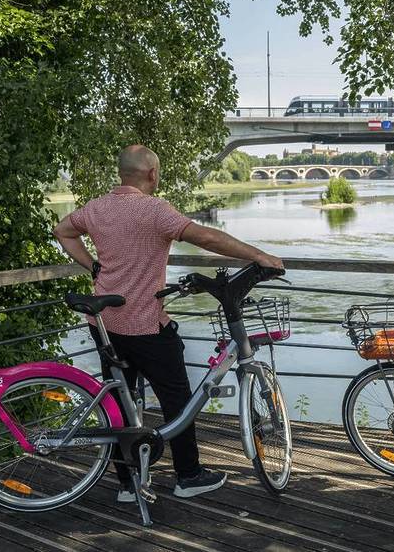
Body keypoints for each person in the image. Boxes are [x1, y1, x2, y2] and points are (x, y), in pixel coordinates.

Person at [53, 145, 285, 503]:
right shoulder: (154, 210)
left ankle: (128, 484)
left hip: (104, 323)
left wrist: (94, 268)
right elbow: (204, 236)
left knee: (119, 401)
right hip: (145, 323)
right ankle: (188, 475)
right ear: (151, 174)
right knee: (176, 398)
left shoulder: (97, 208)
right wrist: (259, 255)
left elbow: (63, 231)